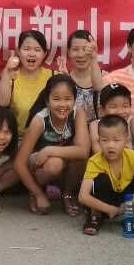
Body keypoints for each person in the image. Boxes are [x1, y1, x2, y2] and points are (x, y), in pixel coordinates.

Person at [16, 74, 89, 216]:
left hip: (61, 157)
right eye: (56, 99)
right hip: (39, 163)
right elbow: (19, 164)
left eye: (67, 99)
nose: (62, 105)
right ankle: (37, 190)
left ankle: (67, 194)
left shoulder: (78, 113)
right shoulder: (40, 120)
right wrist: (38, 194)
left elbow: (83, 151)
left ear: (74, 100)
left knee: (81, 158)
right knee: (54, 164)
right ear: (47, 101)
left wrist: (49, 150)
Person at [79, 114, 134, 235]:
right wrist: (109, 209)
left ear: (126, 140)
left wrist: (131, 203)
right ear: (98, 141)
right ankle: (96, 215)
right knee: (101, 180)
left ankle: (131, 213)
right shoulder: (95, 161)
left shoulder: (132, 156)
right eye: (105, 140)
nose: (110, 145)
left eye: (116, 140)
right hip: (104, 200)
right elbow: (82, 196)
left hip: (126, 199)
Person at [0, 30, 52, 134]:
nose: (32, 54)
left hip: (48, 138)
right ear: (18, 51)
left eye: (37, 50)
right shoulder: (11, 76)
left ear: (44, 54)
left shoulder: (54, 76)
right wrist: (6, 72)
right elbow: (2, 103)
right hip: (18, 138)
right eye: (26, 49)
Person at [86, 83, 134, 164]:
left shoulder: (133, 123)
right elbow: (98, 152)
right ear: (101, 110)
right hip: (104, 168)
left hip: (132, 167)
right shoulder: (96, 125)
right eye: (113, 106)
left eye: (125, 106)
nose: (120, 111)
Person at [65, 29, 105, 123]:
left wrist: (94, 59)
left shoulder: (105, 77)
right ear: (69, 52)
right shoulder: (63, 79)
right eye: (75, 49)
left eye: (85, 49)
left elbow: (100, 88)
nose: (81, 54)